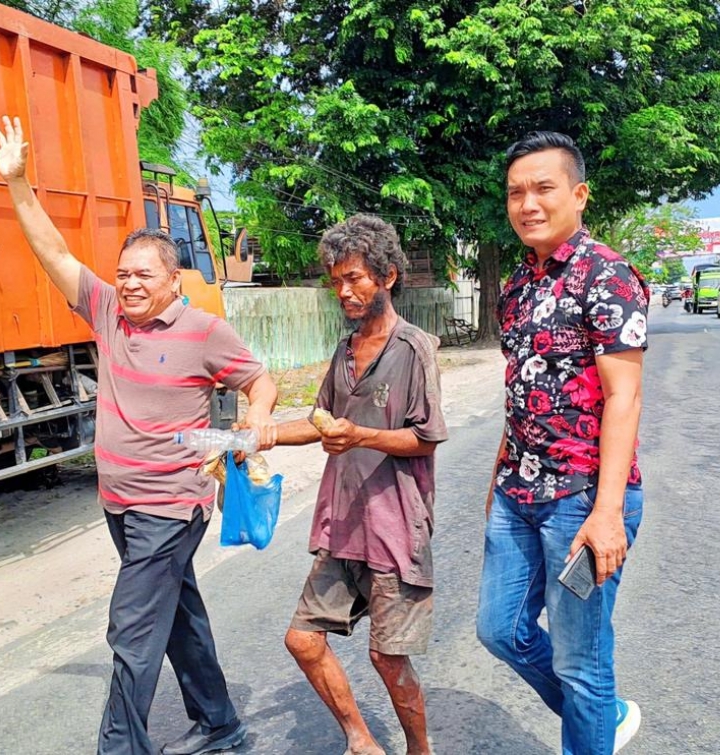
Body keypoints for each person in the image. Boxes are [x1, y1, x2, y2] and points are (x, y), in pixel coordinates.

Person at [0, 116, 278, 755]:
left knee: (132, 629)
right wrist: (17, 184)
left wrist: (253, 427)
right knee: (176, 616)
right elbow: (55, 254)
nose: (130, 282)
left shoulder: (203, 331)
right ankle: (222, 725)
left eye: (145, 273)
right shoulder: (109, 314)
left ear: (174, 280)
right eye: (124, 271)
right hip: (120, 503)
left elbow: (261, 383)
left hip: (171, 505)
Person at [475, 131, 648, 755]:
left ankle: (591, 724)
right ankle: (603, 714)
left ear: (578, 194)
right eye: (516, 192)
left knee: (582, 662)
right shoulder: (515, 287)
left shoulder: (608, 276)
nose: (528, 203)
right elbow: (518, 390)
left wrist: (606, 514)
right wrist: (496, 482)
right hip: (518, 496)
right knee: (499, 630)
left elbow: (623, 398)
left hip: (581, 500)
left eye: (544, 188)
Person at [265, 214, 447, 755]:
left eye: (356, 278)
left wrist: (362, 435)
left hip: (394, 527)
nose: (344, 291)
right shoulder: (344, 352)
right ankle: (361, 740)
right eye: (336, 280)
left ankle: (420, 749)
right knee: (302, 638)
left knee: (387, 657)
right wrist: (261, 436)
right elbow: (322, 419)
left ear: (388, 276)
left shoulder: (414, 349)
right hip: (343, 525)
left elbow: (427, 439)